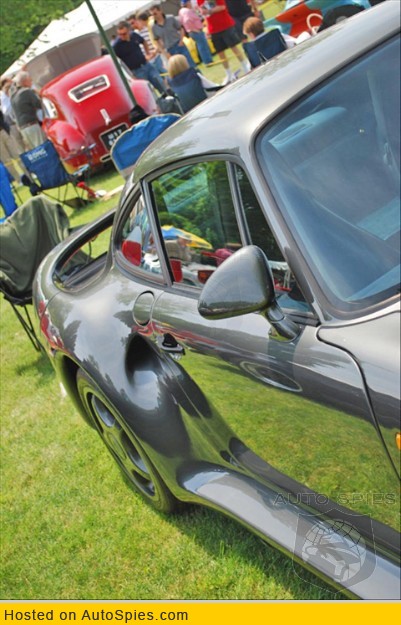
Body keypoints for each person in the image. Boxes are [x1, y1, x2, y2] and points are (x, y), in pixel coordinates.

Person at [197, 0, 251, 83]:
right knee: (220, 53)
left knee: (234, 47)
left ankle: (245, 65)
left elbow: (222, 7)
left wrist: (209, 11)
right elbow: (204, 15)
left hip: (225, 25)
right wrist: (207, 28)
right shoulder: (199, 1)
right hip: (213, 29)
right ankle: (228, 73)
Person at [112, 20, 167, 94]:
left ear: (129, 31)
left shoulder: (134, 35)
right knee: (148, 92)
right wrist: (130, 75)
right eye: (120, 34)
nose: (122, 36)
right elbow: (116, 62)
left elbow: (143, 41)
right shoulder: (116, 46)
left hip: (146, 65)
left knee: (161, 84)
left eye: (124, 34)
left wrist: (148, 54)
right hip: (136, 72)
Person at [149, 5, 196, 69]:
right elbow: (157, 41)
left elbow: (181, 28)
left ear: (160, 11)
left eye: (155, 13)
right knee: (179, 69)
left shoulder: (170, 18)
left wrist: (181, 41)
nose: (154, 16)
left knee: (190, 64)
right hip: (169, 49)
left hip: (179, 45)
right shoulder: (154, 27)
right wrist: (164, 53)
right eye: (152, 15)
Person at [10, 71, 45, 150]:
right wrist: (39, 94)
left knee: (36, 150)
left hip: (23, 128)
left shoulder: (13, 96)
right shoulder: (27, 91)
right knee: (42, 148)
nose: (31, 82)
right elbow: (39, 105)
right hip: (32, 125)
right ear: (25, 81)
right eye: (30, 80)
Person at [128, 12, 166, 78]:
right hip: (148, 61)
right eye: (130, 24)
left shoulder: (148, 29)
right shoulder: (134, 34)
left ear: (137, 21)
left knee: (165, 73)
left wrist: (155, 51)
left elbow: (157, 41)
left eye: (133, 23)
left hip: (156, 57)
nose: (132, 25)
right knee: (158, 78)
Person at [178, 0, 213, 66]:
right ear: (187, 3)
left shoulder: (182, 11)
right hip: (195, 31)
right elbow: (187, 21)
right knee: (203, 45)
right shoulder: (187, 11)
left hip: (193, 31)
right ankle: (208, 61)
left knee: (201, 45)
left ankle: (207, 60)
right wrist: (194, 30)